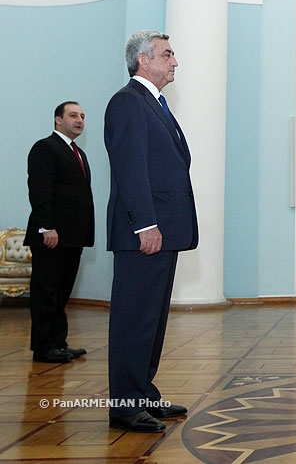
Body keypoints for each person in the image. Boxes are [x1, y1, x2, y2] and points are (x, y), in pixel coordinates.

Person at [104, 30, 198, 433]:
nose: (175, 61)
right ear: (144, 61)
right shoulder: (128, 102)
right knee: (133, 320)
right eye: (167, 54)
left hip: (162, 232)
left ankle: (144, 395)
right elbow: (131, 169)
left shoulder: (152, 103)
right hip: (143, 233)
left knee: (152, 320)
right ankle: (125, 407)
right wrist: (146, 224)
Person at [25, 102, 95, 363]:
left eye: (83, 117)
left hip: (72, 236)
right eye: (73, 115)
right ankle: (43, 348)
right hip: (51, 235)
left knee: (62, 292)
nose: (79, 120)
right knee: (46, 292)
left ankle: (58, 343)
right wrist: (46, 227)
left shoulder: (78, 153)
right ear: (58, 120)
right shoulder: (45, 148)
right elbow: (40, 191)